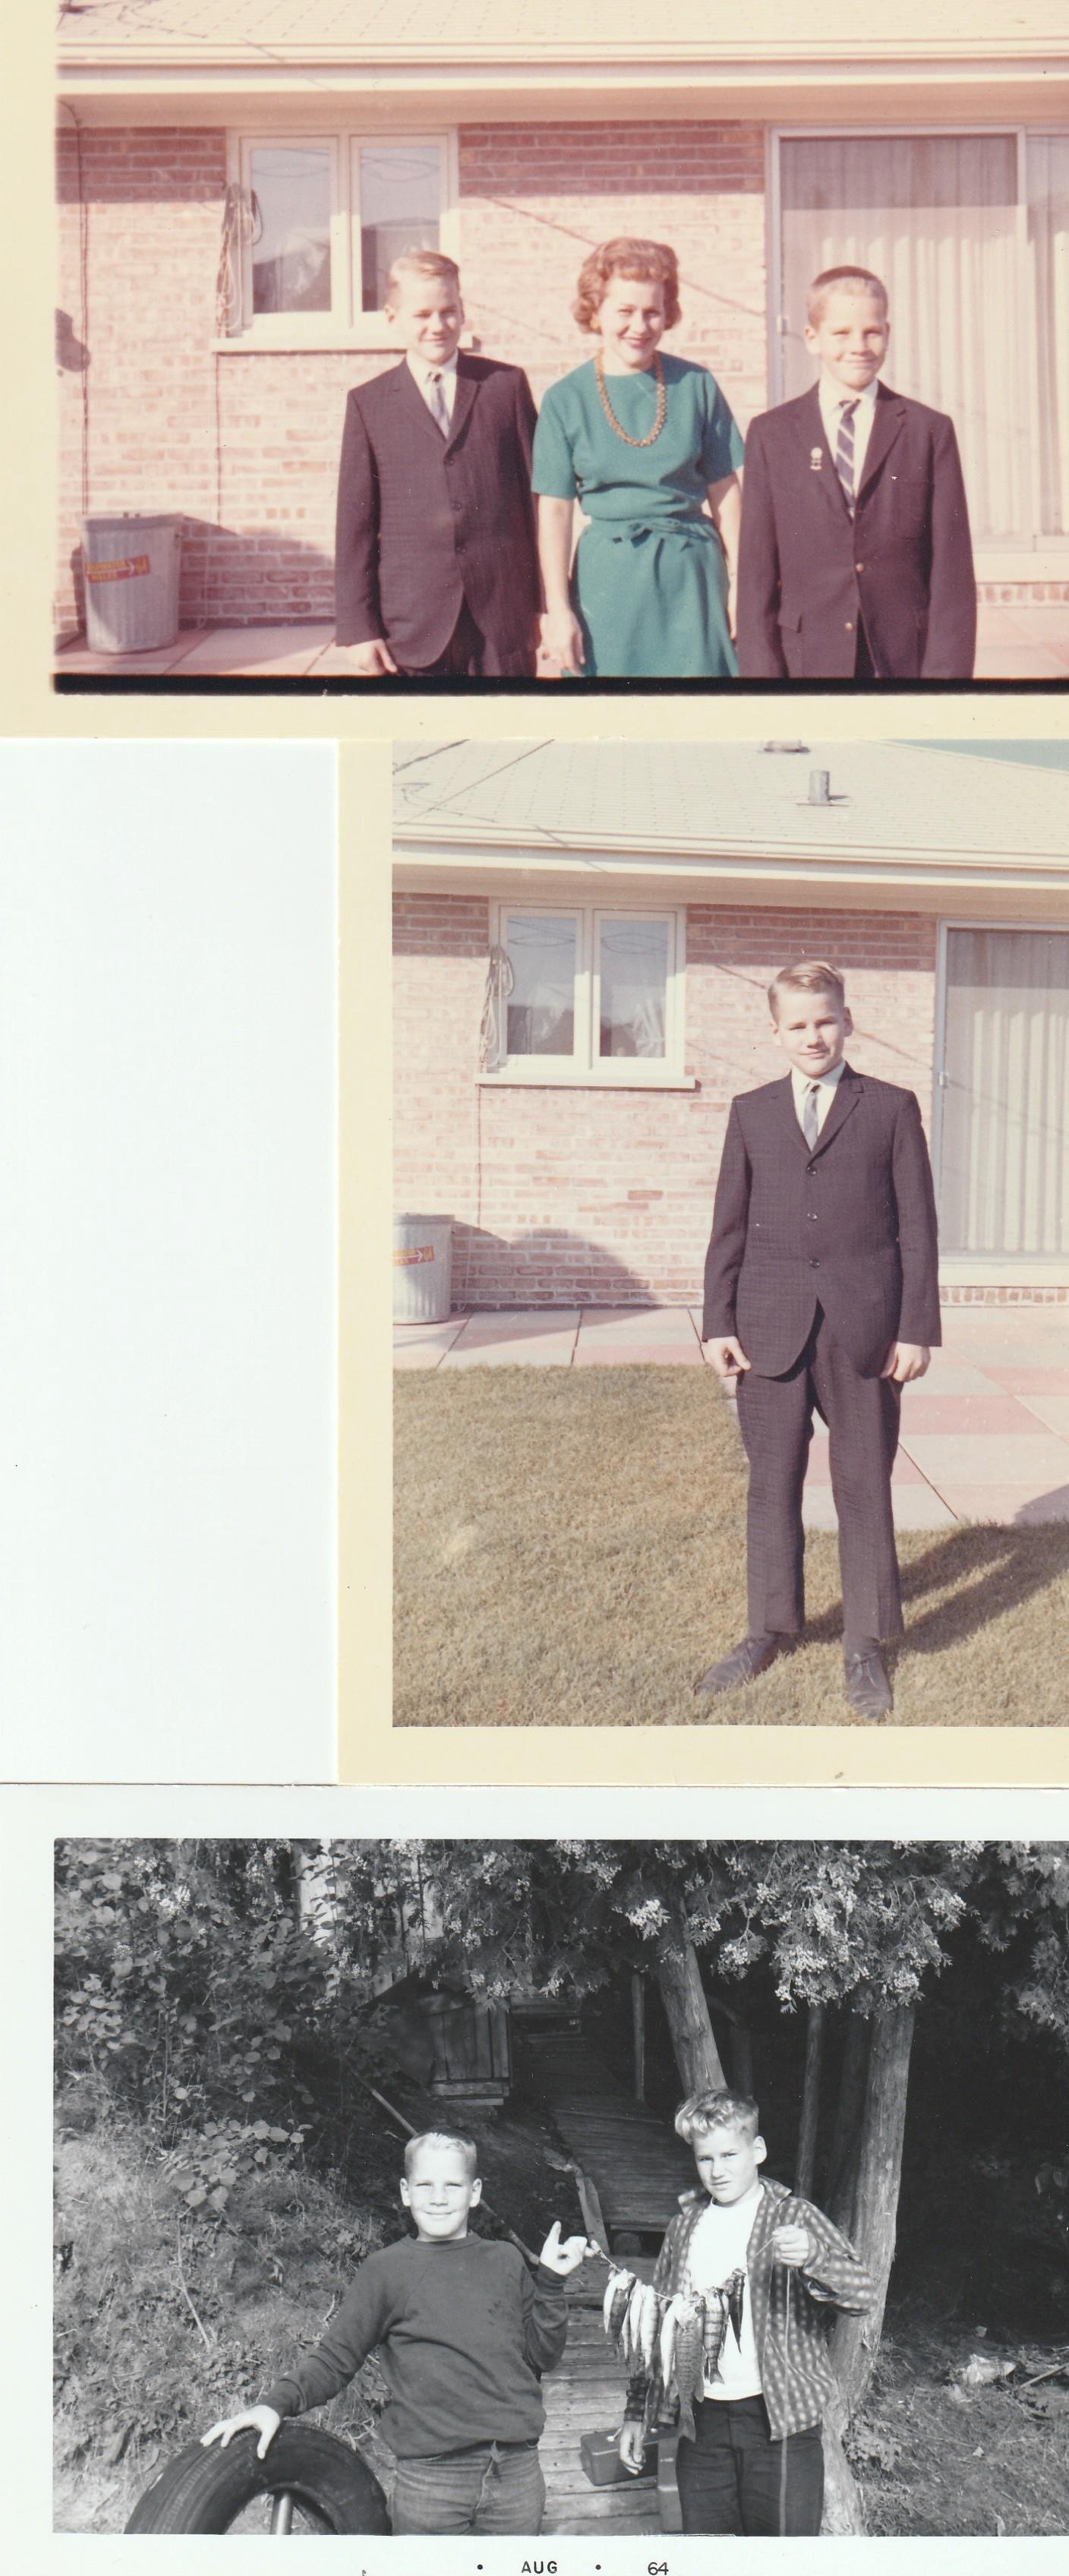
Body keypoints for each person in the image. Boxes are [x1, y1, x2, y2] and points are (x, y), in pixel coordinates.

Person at [698, 960, 941, 1719]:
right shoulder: (750, 1111)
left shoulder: (890, 1107)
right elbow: (727, 1225)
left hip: (863, 1327)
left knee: (861, 1482)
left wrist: (915, 1328)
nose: (813, 1035)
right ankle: (768, 1627)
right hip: (768, 1322)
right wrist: (718, 1321)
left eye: (825, 1020)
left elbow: (916, 1230)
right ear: (775, 1032)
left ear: (847, 1020)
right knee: (770, 1482)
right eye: (797, 1024)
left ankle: (865, 1643)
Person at [201, 2128, 598, 2534]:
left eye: (452, 2185)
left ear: (475, 2192)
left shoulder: (506, 2260)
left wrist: (550, 2282)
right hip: (431, 2482)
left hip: (516, 2475)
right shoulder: (385, 2271)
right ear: (406, 2192)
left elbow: (542, 2357)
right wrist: (274, 2404)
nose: (439, 2197)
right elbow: (335, 2359)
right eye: (426, 2185)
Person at [619, 2087, 873, 2536]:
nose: (717, 2171)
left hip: (781, 2424)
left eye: (729, 2155)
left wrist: (815, 2256)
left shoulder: (793, 2215)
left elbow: (862, 2296)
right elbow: (655, 2328)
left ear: (757, 2150)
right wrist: (635, 2413)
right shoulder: (684, 2228)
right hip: (702, 2423)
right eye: (705, 2159)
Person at [736, 264, 976, 680]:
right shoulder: (770, 434)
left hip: (903, 660)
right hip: (807, 659)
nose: (859, 346)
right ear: (812, 339)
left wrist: (947, 684)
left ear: (888, 333)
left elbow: (952, 573)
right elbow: (756, 575)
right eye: (842, 333)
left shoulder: (928, 431)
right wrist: (762, 681)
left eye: (872, 332)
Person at [532, 238, 743, 678]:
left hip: (692, 578)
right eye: (624, 311)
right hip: (608, 583)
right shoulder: (565, 399)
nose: (640, 326)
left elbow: (726, 493)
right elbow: (554, 510)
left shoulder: (697, 385)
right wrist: (558, 611)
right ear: (596, 312)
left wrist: (743, 584)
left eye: (653, 312)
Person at [333, 252, 541, 678]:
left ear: (463, 312)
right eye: (422, 314)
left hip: (502, 620)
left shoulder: (505, 386)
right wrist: (357, 629)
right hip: (413, 626)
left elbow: (537, 503)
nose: (438, 325)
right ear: (393, 318)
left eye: (449, 312)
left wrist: (546, 605)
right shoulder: (370, 404)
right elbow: (354, 527)